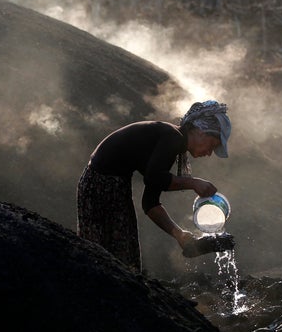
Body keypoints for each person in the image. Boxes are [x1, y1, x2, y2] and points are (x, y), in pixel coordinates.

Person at [77, 100, 234, 273]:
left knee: (118, 258)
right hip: (102, 186)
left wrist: (179, 234)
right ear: (199, 131)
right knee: (112, 260)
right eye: (212, 145)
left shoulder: (172, 140)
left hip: (105, 185)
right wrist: (193, 183)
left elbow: (150, 202)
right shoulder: (172, 137)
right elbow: (154, 178)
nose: (209, 153)